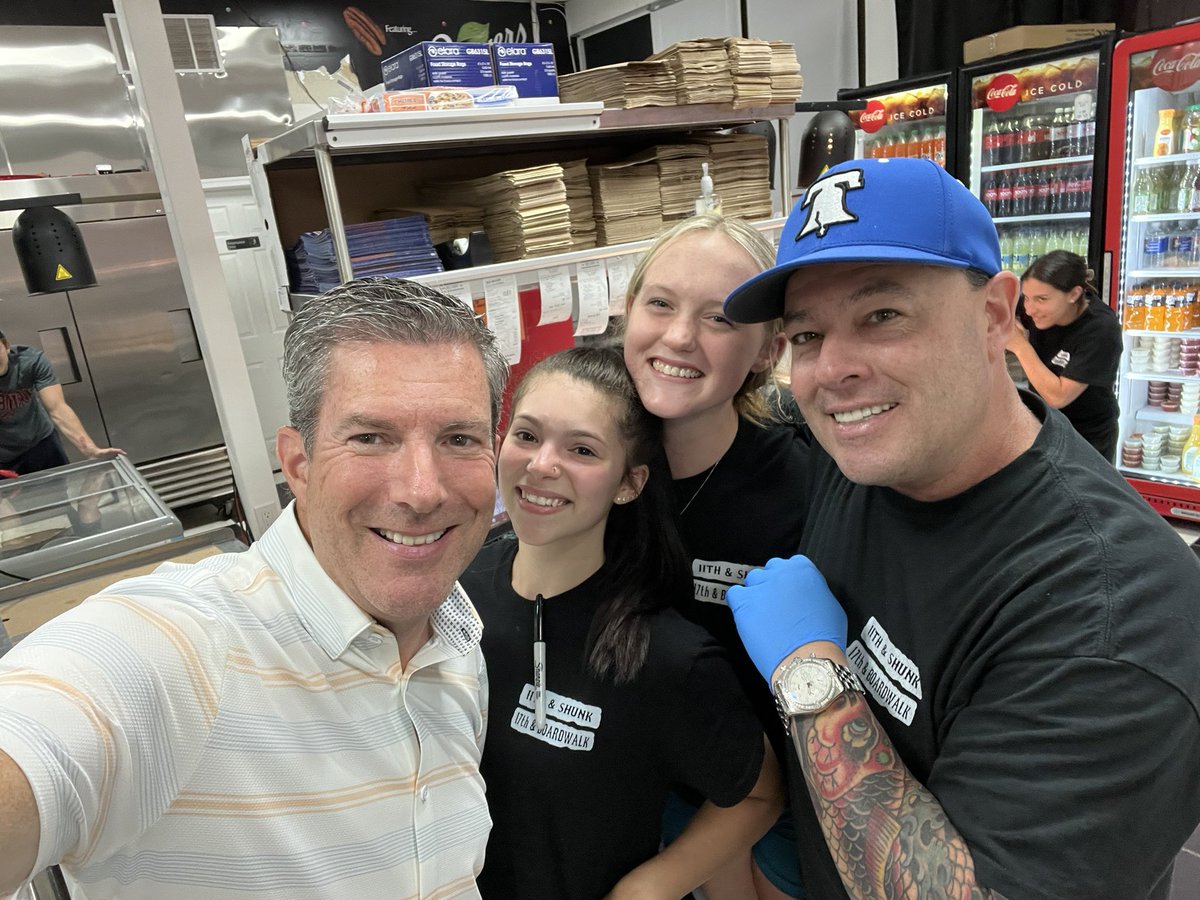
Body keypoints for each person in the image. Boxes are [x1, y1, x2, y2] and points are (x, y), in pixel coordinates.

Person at [721, 157, 1200, 900]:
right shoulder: (872, 455)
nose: (831, 370)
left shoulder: (1113, 613)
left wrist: (810, 674)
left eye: (882, 316)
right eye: (806, 336)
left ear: (995, 315)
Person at [0, 277, 509, 899]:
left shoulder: (455, 643)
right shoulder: (176, 647)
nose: (422, 490)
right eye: (370, 438)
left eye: (459, 439)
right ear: (298, 464)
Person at [460, 346, 782, 900]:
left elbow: (760, 794)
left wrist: (651, 888)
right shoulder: (455, 588)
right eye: (528, 436)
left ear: (629, 483)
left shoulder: (666, 657)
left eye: (582, 449)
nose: (541, 465)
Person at [621, 213, 807, 900]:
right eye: (660, 303)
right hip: (640, 789)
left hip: (778, 801)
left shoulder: (806, 490)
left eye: (719, 319)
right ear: (629, 309)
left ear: (767, 349)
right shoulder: (590, 461)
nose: (678, 337)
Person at [1006, 249, 1122, 461]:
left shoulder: (1101, 329)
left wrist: (1020, 346)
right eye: (1026, 298)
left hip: (1087, 435)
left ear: (1074, 294)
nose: (1030, 309)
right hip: (1045, 425)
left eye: (1041, 299)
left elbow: (1058, 396)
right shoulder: (1035, 308)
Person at [0, 329, 124, 474]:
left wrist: (90, 450)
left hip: (41, 441)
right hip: (3, 455)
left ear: (6, 346)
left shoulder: (31, 361)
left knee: (58, 491)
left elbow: (57, 408)